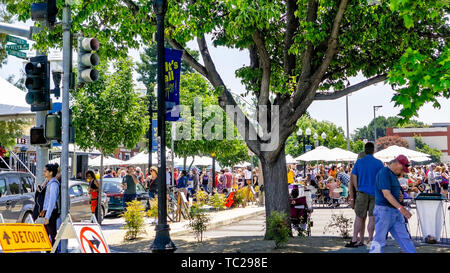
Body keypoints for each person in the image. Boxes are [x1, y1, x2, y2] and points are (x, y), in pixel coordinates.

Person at [369, 155, 416, 253]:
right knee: (379, 241)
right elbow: (386, 194)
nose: (402, 172)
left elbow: (393, 192)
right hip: (384, 210)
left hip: (393, 211)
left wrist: (400, 196)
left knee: (405, 238)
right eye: (402, 169)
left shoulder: (392, 174)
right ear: (397, 163)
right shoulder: (384, 173)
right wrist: (401, 209)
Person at [346, 142, 384, 248]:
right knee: (372, 217)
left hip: (362, 192)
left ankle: (354, 239)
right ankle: (371, 240)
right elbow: (382, 178)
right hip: (375, 193)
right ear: (373, 150)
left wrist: (358, 188)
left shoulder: (359, 162)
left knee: (359, 216)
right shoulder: (379, 163)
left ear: (365, 149)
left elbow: (353, 176)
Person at [39, 163, 60, 246]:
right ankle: (50, 250)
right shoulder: (50, 183)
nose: (44, 173)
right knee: (48, 234)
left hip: (51, 212)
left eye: (45, 171)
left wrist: (47, 216)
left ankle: (53, 251)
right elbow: (47, 199)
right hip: (49, 211)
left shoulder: (54, 184)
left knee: (52, 234)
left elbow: (51, 202)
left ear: (51, 172)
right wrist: (44, 210)